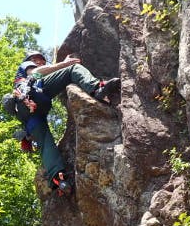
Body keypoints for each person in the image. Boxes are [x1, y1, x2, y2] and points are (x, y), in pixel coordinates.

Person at [11, 50, 120, 195]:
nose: (41, 62)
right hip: (31, 96)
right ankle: (97, 88)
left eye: (43, 60)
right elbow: (36, 73)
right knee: (72, 69)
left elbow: (48, 74)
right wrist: (64, 64)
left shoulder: (38, 78)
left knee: (45, 143)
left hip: (31, 116)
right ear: (31, 60)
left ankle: (58, 180)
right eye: (37, 59)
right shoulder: (26, 66)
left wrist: (58, 66)